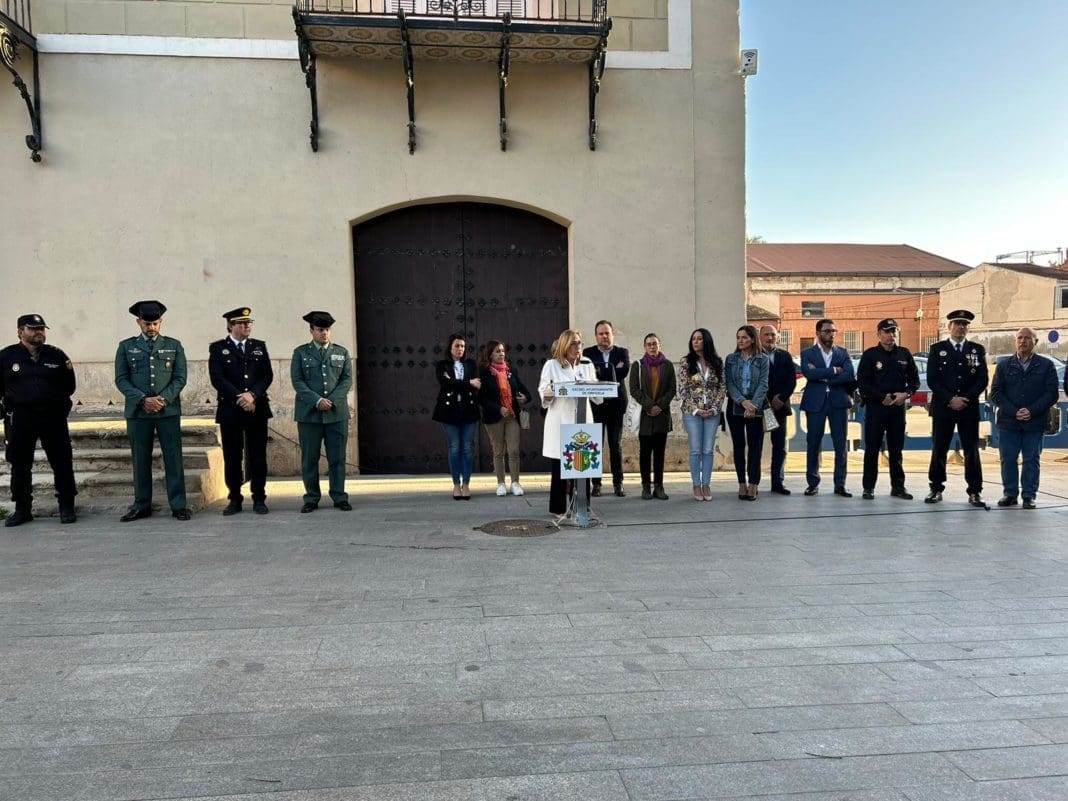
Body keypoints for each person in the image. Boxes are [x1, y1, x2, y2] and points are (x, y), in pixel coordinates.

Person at [114, 300, 190, 521]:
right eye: (147, 323)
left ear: (161, 322)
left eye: (155, 323)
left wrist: (162, 400)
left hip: (168, 412)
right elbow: (121, 379)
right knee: (140, 459)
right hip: (138, 413)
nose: (151, 327)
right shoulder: (126, 346)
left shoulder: (174, 345)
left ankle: (178, 505)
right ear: (139, 322)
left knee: (173, 458)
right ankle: (141, 504)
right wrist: (142, 400)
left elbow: (180, 377)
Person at [0, 314, 78, 527]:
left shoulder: (56, 355)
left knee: (62, 462)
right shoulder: (6, 357)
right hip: (21, 418)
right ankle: (22, 509)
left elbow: (69, 386)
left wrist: (60, 407)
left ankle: (66, 506)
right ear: (20, 332)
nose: (39, 332)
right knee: (20, 464)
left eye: (41, 328)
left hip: (52, 417)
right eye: (33, 328)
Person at [208, 307, 273, 516]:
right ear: (230, 325)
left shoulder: (258, 347)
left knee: (258, 456)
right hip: (231, 409)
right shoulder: (218, 348)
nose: (247, 326)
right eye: (241, 323)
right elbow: (218, 378)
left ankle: (259, 498)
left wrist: (252, 395)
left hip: (256, 408)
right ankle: (234, 498)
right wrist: (241, 397)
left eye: (249, 322)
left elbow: (267, 376)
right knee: (232, 456)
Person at [925, 309, 988, 507]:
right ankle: (936, 488)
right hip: (944, 407)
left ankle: (975, 491)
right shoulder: (937, 349)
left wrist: (965, 398)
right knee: (939, 448)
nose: (961, 327)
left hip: (967, 408)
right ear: (949, 326)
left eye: (964, 324)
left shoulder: (976, 350)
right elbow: (933, 379)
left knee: (971, 450)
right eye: (958, 324)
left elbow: (982, 379)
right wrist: (951, 399)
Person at [990, 327, 1059, 509]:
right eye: (1019, 337)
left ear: (1035, 342)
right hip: (1008, 422)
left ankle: (1029, 496)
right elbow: (995, 393)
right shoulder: (1004, 366)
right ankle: (1010, 494)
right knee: (1008, 458)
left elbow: (1051, 393)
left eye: (1027, 338)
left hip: (1034, 422)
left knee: (1031, 459)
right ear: (1015, 341)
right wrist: (1014, 411)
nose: (1023, 341)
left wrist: (1031, 410)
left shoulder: (1046, 366)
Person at [291, 311, 352, 513]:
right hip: (310, 414)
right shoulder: (301, 353)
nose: (324, 333)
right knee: (310, 459)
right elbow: (298, 381)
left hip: (336, 414)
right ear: (311, 330)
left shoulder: (341, 352)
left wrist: (331, 400)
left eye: (327, 329)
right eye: (320, 329)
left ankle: (339, 496)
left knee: (337, 458)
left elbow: (346, 380)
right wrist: (317, 400)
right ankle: (311, 498)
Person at [539, 329, 602, 515]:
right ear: (564, 345)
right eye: (573, 343)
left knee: (582, 466)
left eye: (579, 343)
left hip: (582, 422)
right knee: (560, 467)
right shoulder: (552, 365)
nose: (577, 347)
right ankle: (558, 509)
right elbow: (544, 390)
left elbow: (597, 396)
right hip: (561, 422)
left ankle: (581, 507)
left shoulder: (587, 364)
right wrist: (548, 393)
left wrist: (597, 389)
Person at [856, 318, 919, 500]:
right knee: (872, 449)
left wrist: (906, 394)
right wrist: (880, 397)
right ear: (879, 334)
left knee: (896, 449)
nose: (891, 335)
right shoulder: (870, 355)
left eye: (894, 331)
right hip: (876, 408)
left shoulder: (904, 354)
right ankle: (868, 487)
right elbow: (863, 383)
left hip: (897, 408)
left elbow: (914, 380)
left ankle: (898, 487)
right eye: (887, 331)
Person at [799, 318, 855, 497]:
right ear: (818, 333)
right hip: (816, 403)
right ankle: (812, 483)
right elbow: (809, 373)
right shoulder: (808, 353)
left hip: (838, 402)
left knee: (840, 444)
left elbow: (849, 375)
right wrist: (834, 371)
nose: (831, 334)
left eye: (833, 331)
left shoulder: (843, 353)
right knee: (813, 443)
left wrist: (823, 377)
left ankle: (840, 484)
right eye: (827, 331)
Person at [677, 328, 725, 501]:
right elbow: (682, 390)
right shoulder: (685, 362)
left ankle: (706, 484)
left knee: (708, 450)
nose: (696, 342)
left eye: (699, 339)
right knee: (696, 450)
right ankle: (696, 485)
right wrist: (697, 410)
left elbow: (722, 388)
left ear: (707, 341)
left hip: (712, 412)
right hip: (692, 413)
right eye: (693, 339)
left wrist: (714, 408)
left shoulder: (717, 362)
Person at [583, 320, 630, 497]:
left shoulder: (622, 352)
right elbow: (589, 375)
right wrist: (610, 370)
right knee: (596, 445)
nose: (604, 336)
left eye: (607, 333)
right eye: (601, 334)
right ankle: (596, 484)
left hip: (616, 405)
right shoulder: (588, 354)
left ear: (612, 334)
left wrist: (601, 372)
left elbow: (622, 372)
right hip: (596, 406)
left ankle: (618, 483)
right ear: (596, 336)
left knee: (615, 445)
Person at [477, 340, 529, 497]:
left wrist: (525, 398)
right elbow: (482, 398)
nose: (501, 354)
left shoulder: (511, 371)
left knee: (513, 450)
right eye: (497, 351)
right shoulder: (484, 373)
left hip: (512, 416)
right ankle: (500, 483)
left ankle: (515, 482)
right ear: (490, 354)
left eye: (502, 351)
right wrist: (499, 409)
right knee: (498, 451)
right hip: (494, 417)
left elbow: (524, 390)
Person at [432, 333, 481, 500]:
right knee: (454, 447)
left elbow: (476, 384)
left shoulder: (471, 364)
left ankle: (466, 484)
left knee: (467, 448)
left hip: (469, 410)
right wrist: (468, 383)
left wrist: (458, 383)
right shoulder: (442, 365)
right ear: (450, 347)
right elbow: (446, 384)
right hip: (449, 411)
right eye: (457, 346)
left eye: (462, 346)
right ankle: (455, 484)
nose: (460, 349)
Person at [629, 332, 677, 500]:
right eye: (649, 344)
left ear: (659, 345)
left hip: (662, 416)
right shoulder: (638, 365)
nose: (652, 347)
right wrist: (650, 405)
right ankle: (646, 487)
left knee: (659, 453)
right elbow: (634, 389)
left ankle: (659, 486)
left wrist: (660, 406)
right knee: (644, 453)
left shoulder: (668, 365)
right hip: (645, 416)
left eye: (654, 344)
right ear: (644, 347)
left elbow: (672, 389)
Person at [724, 325, 769, 501]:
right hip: (736, 405)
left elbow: (763, 384)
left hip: (755, 407)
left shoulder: (763, 359)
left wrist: (753, 405)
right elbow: (729, 384)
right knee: (738, 446)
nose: (740, 341)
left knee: (755, 447)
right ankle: (741, 482)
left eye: (744, 337)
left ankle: (754, 483)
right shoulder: (731, 359)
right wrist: (743, 402)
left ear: (752, 339)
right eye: (738, 337)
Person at [760, 324, 797, 495]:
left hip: (779, 407)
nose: (770, 338)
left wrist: (781, 398)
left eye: (773, 335)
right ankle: (753, 483)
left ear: (778, 337)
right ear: (760, 337)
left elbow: (792, 380)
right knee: (756, 445)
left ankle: (777, 482)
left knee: (780, 446)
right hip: (760, 408)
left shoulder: (785, 356)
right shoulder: (754, 356)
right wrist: (764, 400)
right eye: (766, 334)